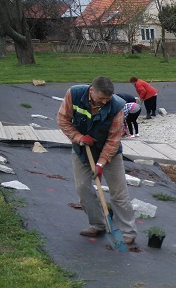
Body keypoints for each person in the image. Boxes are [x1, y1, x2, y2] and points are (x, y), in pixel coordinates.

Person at [56, 76, 137, 245]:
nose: (104, 102)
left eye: (107, 99)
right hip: (82, 149)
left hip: (109, 153)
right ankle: (98, 224)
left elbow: (114, 140)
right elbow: (63, 119)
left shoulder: (116, 106)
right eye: (101, 98)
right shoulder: (74, 94)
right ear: (91, 91)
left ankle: (128, 231)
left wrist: (101, 163)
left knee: (118, 193)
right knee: (83, 188)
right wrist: (78, 137)